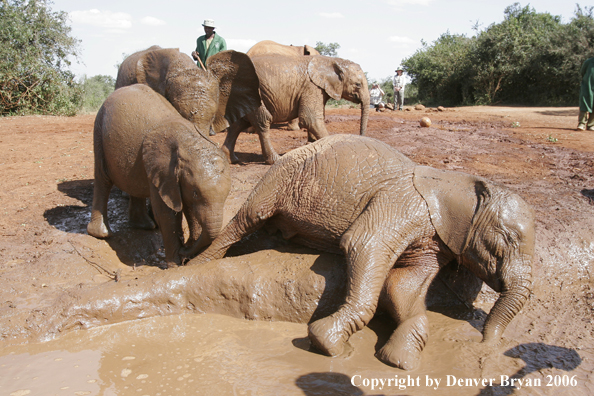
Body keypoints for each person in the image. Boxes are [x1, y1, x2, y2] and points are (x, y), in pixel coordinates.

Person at [578, 56, 594, 131]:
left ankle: (591, 125)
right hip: (587, 87)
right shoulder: (588, 62)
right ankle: (581, 124)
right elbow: (582, 72)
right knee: (584, 104)